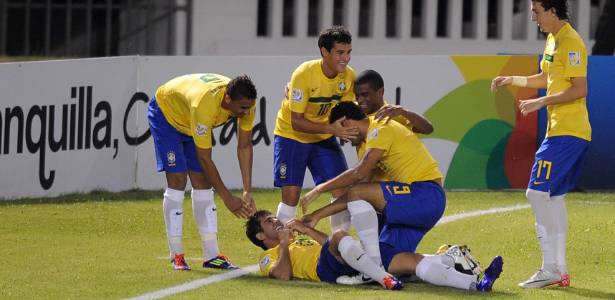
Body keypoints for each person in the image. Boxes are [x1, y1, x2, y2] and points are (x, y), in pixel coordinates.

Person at [490, 0, 590, 288]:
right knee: (552, 197)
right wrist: (514, 79)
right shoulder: (552, 40)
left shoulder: (571, 42)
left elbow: (580, 88)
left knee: (536, 193)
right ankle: (559, 271)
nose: (532, 17)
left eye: (536, 11)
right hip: (560, 131)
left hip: (568, 132)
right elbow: (548, 78)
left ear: (552, 10)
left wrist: (540, 102)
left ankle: (550, 269)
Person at [299, 102, 445, 276]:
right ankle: (449, 261)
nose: (343, 139)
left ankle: (372, 272)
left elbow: (359, 174)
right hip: (411, 206)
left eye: (341, 130)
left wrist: (319, 188)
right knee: (390, 260)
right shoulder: (368, 144)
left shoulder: (379, 126)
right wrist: (317, 215)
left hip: (426, 194)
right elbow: (357, 194)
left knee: (373, 262)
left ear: (346, 122)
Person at [147, 73, 258, 271]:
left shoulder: (246, 104)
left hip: (190, 119)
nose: (246, 112)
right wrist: (227, 198)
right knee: (178, 179)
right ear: (227, 99)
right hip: (167, 113)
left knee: (202, 181)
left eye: (249, 107)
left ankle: (212, 255)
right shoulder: (204, 106)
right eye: (242, 108)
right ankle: (177, 255)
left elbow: (244, 146)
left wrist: (246, 190)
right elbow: (205, 158)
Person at [245, 210, 502, 292]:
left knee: (411, 261)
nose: (277, 222)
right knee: (340, 236)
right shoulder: (267, 257)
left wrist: (303, 228)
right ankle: (383, 277)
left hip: (347, 257)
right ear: (260, 236)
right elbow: (282, 275)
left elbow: (327, 243)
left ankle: (476, 284)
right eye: (270, 222)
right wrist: (283, 245)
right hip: (325, 269)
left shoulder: (296, 238)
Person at [273, 26, 359, 232]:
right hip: (291, 136)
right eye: (340, 52)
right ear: (324, 51)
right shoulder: (304, 74)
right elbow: (296, 121)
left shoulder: (348, 76)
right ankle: (283, 251)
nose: (345, 58)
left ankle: (338, 250)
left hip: (323, 136)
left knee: (342, 191)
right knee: (291, 196)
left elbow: (346, 112)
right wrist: (333, 129)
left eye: (348, 52)